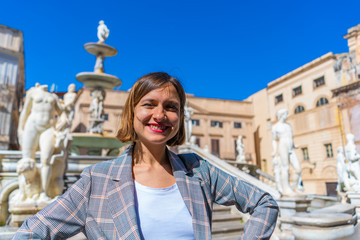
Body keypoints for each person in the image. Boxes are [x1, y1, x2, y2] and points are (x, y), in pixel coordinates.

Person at [14, 72, 278, 239]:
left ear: (179, 118)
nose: (160, 115)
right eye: (149, 104)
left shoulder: (199, 170)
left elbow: (265, 202)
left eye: (171, 107)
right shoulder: (97, 179)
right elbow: (31, 231)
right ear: (132, 113)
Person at [271, 109, 303, 196]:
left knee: (298, 169)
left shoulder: (288, 126)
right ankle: (286, 189)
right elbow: (274, 140)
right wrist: (274, 150)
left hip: (291, 147)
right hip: (283, 145)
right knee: (285, 168)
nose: (288, 115)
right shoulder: (275, 127)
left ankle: (294, 187)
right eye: (286, 114)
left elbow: (290, 137)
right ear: (281, 115)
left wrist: (294, 145)